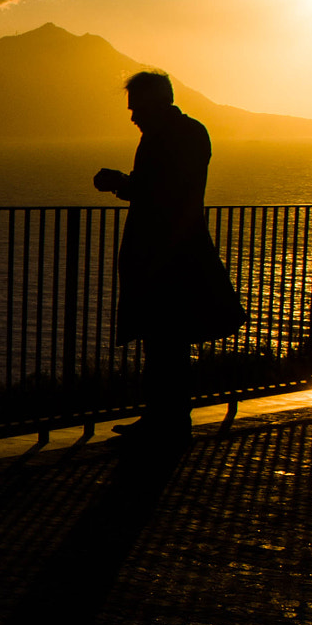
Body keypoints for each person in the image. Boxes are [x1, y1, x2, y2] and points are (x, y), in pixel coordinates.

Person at [92, 71, 216, 445]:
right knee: (168, 340)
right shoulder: (192, 132)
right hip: (179, 247)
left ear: (154, 102)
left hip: (164, 251)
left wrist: (120, 182)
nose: (132, 117)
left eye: (136, 108)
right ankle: (168, 417)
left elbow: (158, 191)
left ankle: (165, 420)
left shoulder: (165, 137)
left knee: (163, 339)